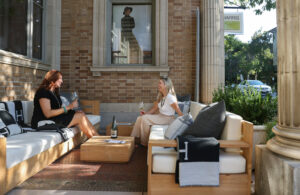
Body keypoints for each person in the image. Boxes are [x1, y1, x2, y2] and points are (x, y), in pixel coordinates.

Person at [31, 70, 99, 138]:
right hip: (43, 122)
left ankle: (99, 139)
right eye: (60, 79)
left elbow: (58, 110)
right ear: (52, 79)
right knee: (80, 117)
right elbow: (48, 114)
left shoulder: (54, 92)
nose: (62, 81)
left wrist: (73, 112)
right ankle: (97, 142)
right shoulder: (43, 92)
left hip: (54, 119)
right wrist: (69, 107)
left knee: (81, 114)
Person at [131, 77, 183, 146]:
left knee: (145, 119)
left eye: (160, 83)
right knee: (140, 118)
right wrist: (145, 113)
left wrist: (184, 123)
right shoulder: (162, 97)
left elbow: (178, 110)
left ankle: (145, 143)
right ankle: (132, 139)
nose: (158, 85)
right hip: (160, 116)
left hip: (167, 119)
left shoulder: (170, 98)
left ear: (166, 85)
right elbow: (154, 109)